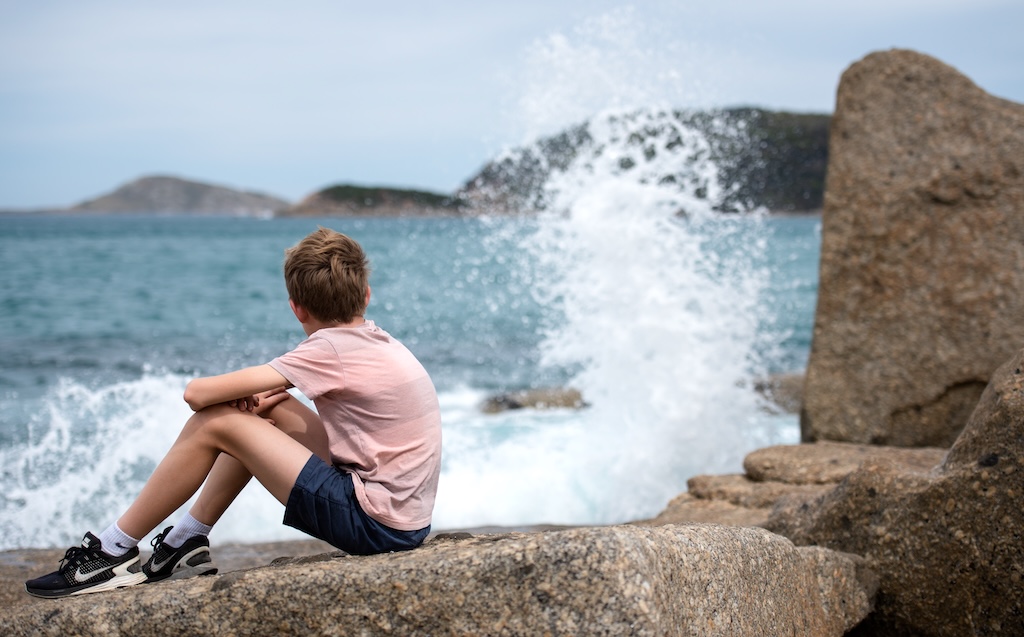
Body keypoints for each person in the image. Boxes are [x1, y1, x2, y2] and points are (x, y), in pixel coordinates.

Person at [25, 227, 442, 598]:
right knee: (268, 407)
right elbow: (277, 389)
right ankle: (185, 541)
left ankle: (110, 551)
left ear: (296, 307)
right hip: (404, 520)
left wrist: (239, 405)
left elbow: (196, 394)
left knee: (217, 422)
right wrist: (260, 400)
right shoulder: (374, 339)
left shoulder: (328, 348)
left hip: (373, 523)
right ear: (366, 295)